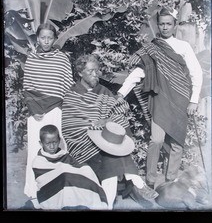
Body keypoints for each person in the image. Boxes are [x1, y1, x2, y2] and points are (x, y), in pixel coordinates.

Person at [117, 6, 203, 190]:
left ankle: (170, 182)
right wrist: (121, 93)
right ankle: (150, 181)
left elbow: (196, 73)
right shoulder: (152, 48)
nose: (164, 27)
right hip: (160, 100)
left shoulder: (184, 47)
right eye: (162, 24)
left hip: (181, 100)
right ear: (158, 25)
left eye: (168, 24)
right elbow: (138, 73)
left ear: (175, 25)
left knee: (177, 143)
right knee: (156, 140)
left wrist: (194, 100)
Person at [61, 54, 158, 210]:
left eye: (97, 71)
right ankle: (137, 182)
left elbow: (119, 111)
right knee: (113, 155)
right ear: (80, 73)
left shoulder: (103, 91)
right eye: (90, 71)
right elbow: (71, 125)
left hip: (105, 139)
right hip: (83, 143)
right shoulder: (72, 94)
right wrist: (92, 127)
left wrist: (105, 122)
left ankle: (106, 205)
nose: (95, 75)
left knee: (112, 149)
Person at [23, 22, 74, 207]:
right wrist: (34, 109)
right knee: (35, 149)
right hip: (36, 113)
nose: (46, 41)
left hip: (55, 110)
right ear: (38, 38)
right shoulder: (31, 58)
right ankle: (34, 190)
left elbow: (67, 86)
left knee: (58, 146)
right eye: (43, 37)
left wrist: (63, 109)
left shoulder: (62, 59)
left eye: (50, 38)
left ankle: (60, 187)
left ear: (54, 39)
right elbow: (27, 87)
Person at [32, 124, 108, 210]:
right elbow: (43, 181)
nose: (52, 146)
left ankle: (82, 201)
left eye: (55, 142)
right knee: (65, 176)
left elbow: (76, 167)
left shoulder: (64, 155)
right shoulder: (38, 162)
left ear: (59, 140)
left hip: (68, 186)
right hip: (50, 192)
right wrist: (64, 173)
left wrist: (83, 169)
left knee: (87, 170)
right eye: (48, 143)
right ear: (41, 143)